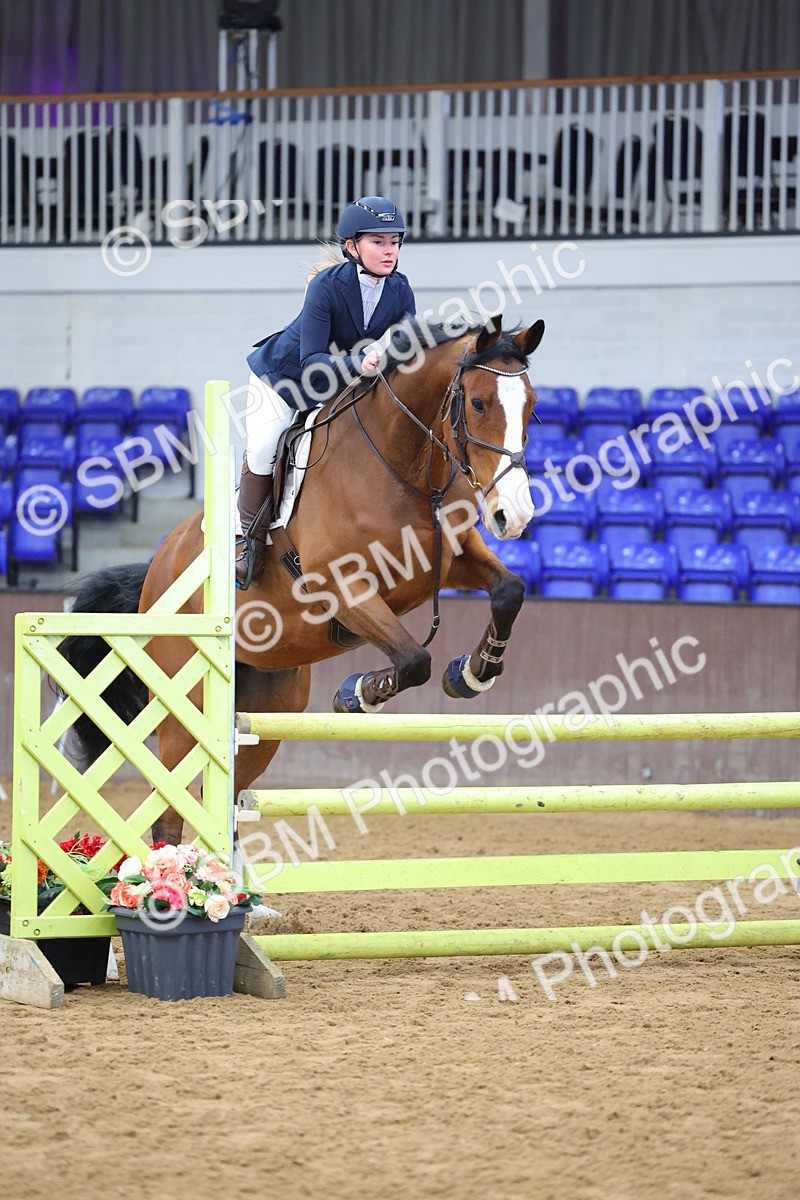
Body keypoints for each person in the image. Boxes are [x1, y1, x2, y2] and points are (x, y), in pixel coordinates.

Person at [236, 195, 416, 588]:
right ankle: (248, 544)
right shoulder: (325, 287)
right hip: (284, 381)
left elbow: (406, 351)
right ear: (352, 247)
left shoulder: (400, 291)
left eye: (395, 242)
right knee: (266, 446)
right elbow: (313, 362)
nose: (390, 251)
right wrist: (361, 365)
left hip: (338, 387)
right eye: (378, 242)